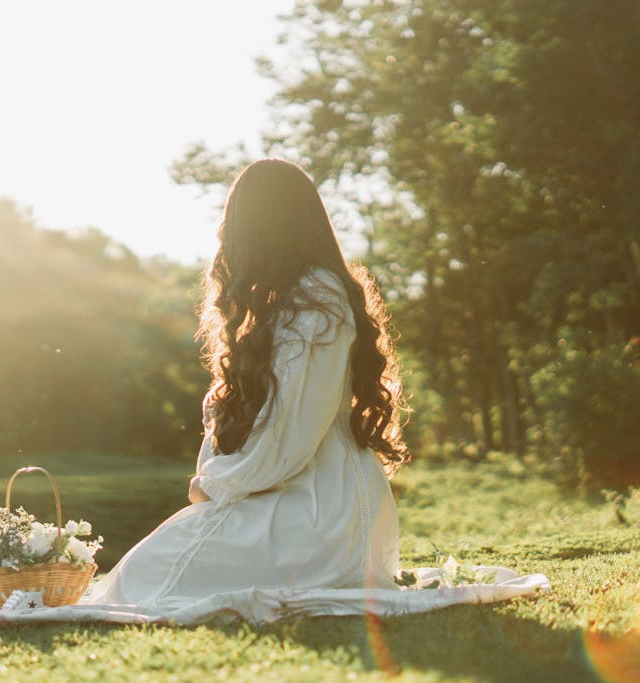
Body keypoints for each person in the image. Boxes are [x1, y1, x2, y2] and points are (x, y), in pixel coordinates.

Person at [88, 158, 410, 609]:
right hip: (289, 493)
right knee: (142, 570)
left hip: (322, 511)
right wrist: (217, 482)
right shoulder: (285, 299)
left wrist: (216, 486)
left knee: (146, 575)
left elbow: (292, 434)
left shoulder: (316, 300)